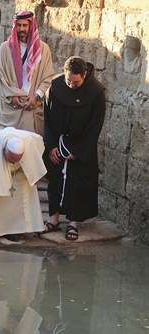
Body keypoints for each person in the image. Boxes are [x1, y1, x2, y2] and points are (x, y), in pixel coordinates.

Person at [42, 56, 106, 241]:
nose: (71, 85)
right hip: (58, 142)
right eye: (68, 80)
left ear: (84, 75)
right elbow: (47, 119)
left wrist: (78, 151)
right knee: (55, 180)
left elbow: (95, 125)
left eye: (76, 82)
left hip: (81, 144)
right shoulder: (55, 86)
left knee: (77, 183)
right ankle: (53, 219)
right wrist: (51, 146)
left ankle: (73, 223)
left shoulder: (96, 92)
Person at [0, 10, 54, 135]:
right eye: (19, 25)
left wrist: (36, 96)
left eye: (25, 25)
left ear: (31, 26)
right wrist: (13, 96)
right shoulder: (5, 48)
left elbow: (48, 77)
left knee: (29, 144)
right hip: (12, 105)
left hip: (32, 104)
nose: (21, 29)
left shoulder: (43, 49)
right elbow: (0, 76)